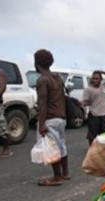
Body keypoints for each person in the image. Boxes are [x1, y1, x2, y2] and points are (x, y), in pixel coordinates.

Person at [34, 49, 70, 186]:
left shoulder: (42, 79)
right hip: (61, 118)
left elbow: (42, 103)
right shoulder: (57, 77)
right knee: (61, 145)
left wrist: (42, 123)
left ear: (37, 63)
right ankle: (65, 172)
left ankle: (57, 177)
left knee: (52, 148)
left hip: (49, 119)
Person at [81, 70, 105, 145]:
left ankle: (103, 152)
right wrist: (83, 103)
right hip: (94, 115)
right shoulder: (88, 89)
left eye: (97, 78)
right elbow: (86, 102)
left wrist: (102, 71)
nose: (94, 80)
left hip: (104, 115)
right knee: (92, 137)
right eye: (93, 78)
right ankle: (92, 151)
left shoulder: (104, 86)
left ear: (100, 79)